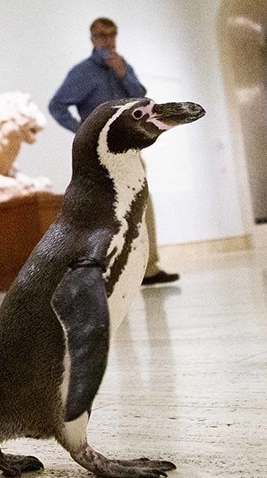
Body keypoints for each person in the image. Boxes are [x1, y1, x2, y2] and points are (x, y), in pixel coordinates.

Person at [49, 17, 179, 286]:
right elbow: (57, 105)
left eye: (111, 34)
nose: (107, 40)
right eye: (101, 35)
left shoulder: (122, 66)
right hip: (100, 153)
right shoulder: (81, 73)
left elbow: (142, 98)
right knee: (105, 210)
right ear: (92, 39)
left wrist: (123, 74)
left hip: (130, 148)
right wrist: (82, 131)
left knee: (141, 203)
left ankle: (150, 268)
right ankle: (105, 271)